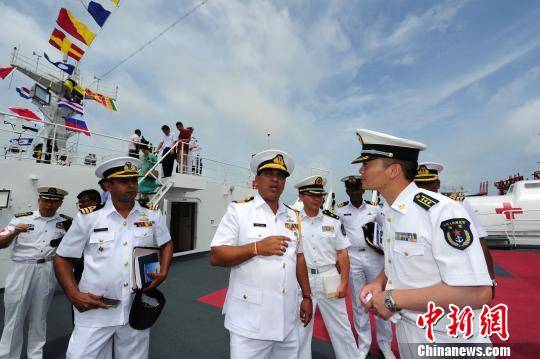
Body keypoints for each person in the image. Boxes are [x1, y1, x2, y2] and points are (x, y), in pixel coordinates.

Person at [353, 129, 493, 358]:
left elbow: (478, 293)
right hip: (410, 332)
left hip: (448, 339)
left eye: (367, 164)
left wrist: (392, 299)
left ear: (394, 171)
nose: (361, 170)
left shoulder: (441, 211)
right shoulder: (391, 212)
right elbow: (400, 260)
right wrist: (380, 282)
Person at [54, 157, 174, 358]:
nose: (131, 186)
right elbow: (62, 257)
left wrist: (164, 271)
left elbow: (166, 243)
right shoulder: (89, 217)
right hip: (96, 308)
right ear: (107, 185)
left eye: (134, 180)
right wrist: (73, 294)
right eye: (124, 181)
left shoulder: (152, 215)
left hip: (137, 307)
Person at [210, 149, 313, 359]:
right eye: (268, 174)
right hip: (250, 322)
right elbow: (217, 255)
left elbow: (299, 257)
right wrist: (256, 248)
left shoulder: (293, 216)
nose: (275, 179)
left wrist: (307, 296)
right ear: (256, 179)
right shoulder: (239, 211)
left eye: (281, 176)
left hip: (287, 320)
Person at [0, 186, 70, 359]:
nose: (49, 205)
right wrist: (15, 232)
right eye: (46, 200)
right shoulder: (19, 219)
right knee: (14, 317)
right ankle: (8, 356)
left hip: (46, 270)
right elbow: (1, 242)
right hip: (22, 269)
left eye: (54, 201)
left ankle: (35, 356)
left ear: (60, 203)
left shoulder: (66, 222)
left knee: (40, 318)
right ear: (39, 200)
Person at [295, 176, 360, 359]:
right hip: (303, 280)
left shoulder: (333, 221)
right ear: (301, 196)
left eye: (320, 195)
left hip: (329, 276)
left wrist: (345, 283)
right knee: (301, 329)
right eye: (312, 195)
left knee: (341, 328)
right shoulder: (294, 222)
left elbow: (342, 254)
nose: (318, 199)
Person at [334, 175, 395, 359]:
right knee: (359, 303)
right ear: (347, 192)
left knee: (380, 299)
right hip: (353, 258)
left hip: (374, 258)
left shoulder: (375, 209)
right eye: (351, 190)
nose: (355, 192)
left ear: (363, 190)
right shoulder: (340, 210)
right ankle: (364, 344)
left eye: (357, 189)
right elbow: (336, 237)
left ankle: (385, 345)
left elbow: (387, 231)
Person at [414, 162, 496, 292]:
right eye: (420, 185)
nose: (425, 191)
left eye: (429, 185)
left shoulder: (457, 203)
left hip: (457, 276)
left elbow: (480, 240)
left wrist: (490, 279)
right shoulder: (408, 208)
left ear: (438, 184)